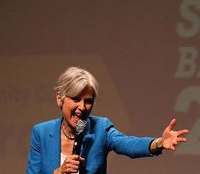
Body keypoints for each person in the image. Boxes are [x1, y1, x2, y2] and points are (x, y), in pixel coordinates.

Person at [26, 66, 189, 174]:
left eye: (88, 101)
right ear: (59, 99)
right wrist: (58, 173)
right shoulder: (41, 133)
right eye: (76, 99)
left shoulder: (100, 129)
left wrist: (159, 142)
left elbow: (129, 144)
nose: (82, 107)